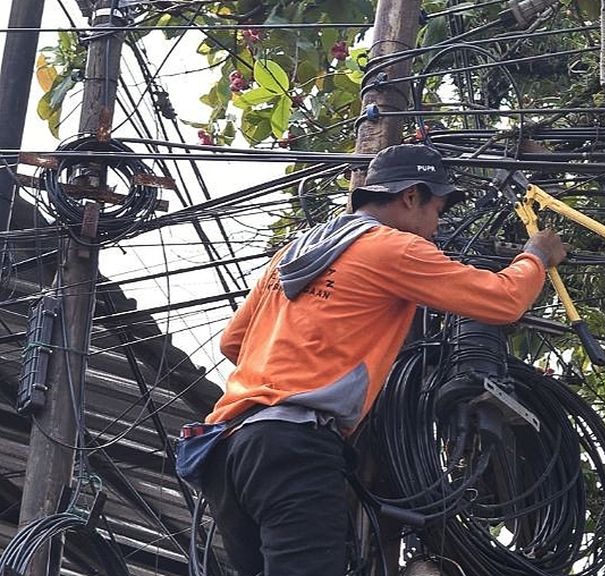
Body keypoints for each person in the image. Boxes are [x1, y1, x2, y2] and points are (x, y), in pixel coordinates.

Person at [198, 144, 567, 576]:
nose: (436, 227)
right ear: (411, 196)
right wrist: (537, 255)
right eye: (437, 210)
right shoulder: (392, 248)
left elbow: (233, 342)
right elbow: (502, 300)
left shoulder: (295, 252)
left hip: (226, 450)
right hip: (293, 444)